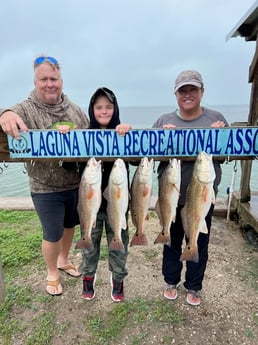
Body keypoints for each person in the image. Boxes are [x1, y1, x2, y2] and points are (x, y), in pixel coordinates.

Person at [0, 55, 90, 296]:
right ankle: (52, 271)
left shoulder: (76, 111)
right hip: (44, 186)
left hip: (75, 184)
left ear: (61, 80)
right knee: (52, 233)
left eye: (54, 79)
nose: (50, 84)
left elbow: (92, 138)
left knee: (71, 225)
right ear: (35, 81)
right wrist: (5, 113)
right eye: (44, 79)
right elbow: (6, 114)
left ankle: (63, 259)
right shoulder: (26, 108)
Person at [152, 70, 228, 306]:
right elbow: (146, 153)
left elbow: (227, 155)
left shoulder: (216, 119)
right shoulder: (164, 121)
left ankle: (194, 286)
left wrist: (222, 135)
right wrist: (161, 140)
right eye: (182, 90)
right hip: (171, 198)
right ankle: (171, 281)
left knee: (199, 242)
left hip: (202, 198)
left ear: (201, 92)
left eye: (192, 90)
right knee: (172, 243)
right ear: (176, 94)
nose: (188, 95)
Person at [78, 87, 132, 302]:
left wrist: (127, 130)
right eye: (99, 107)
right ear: (92, 109)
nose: (104, 111)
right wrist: (64, 134)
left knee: (119, 245)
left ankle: (118, 279)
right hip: (90, 205)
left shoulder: (123, 133)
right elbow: (67, 164)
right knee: (89, 246)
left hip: (117, 205)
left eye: (108, 107)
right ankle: (88, 277)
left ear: (115, 109)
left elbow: (139, 158)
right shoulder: (82, 137)